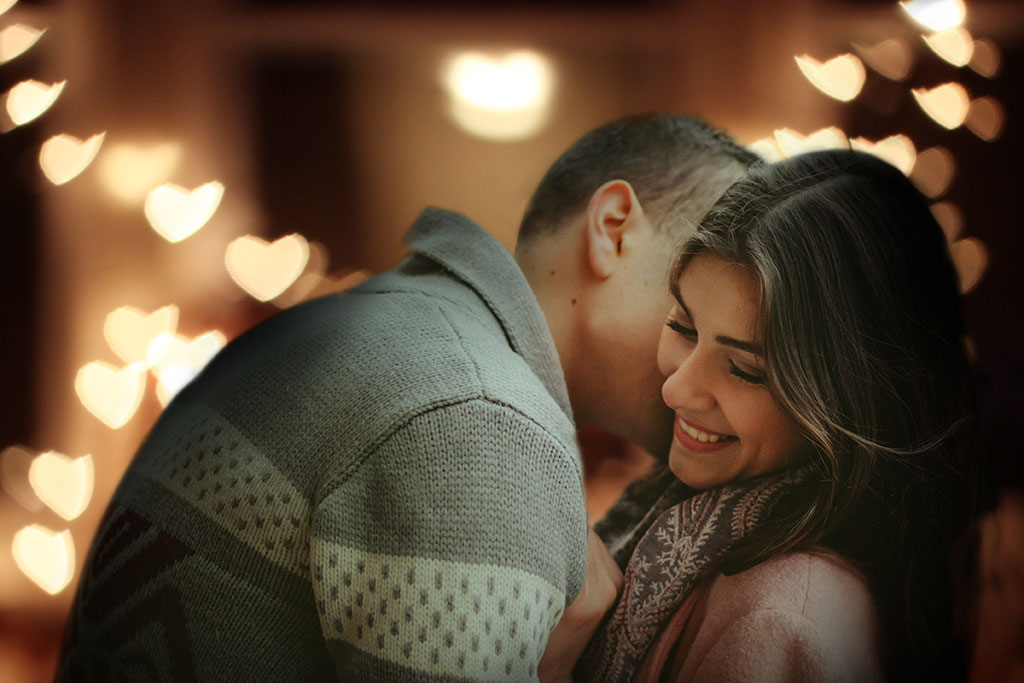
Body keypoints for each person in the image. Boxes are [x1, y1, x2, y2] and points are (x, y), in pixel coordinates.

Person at [55, 114, 757, 681]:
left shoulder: (379, 329)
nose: (730, 358)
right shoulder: (480, 418)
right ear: (613, 230)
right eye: (702, 286)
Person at [570, 150, 977, 682]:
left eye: (745, 369)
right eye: (684, 327)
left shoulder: (783, 620)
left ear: (850, 401)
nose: (676, 389)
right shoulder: (684, 519)